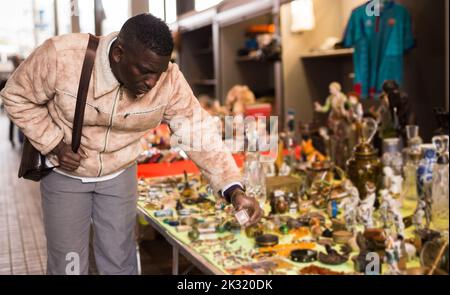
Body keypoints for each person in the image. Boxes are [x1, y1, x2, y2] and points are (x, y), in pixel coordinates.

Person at [0, 14, 263, 275]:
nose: (151, 83)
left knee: (119, 263)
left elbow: (198, 132)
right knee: (68, 265)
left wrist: (233, 189)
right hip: (67, 175)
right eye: (145, 71)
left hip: (120, 173)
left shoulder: (168, 80)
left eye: (158, 74)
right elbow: (15, 95)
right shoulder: (61, 56)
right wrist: (53, 143)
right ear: (118, 54)